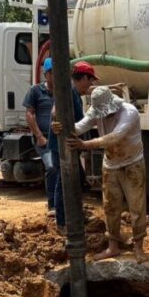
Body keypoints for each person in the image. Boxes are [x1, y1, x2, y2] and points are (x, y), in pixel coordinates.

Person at [60, 86, 148, 263]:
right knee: (110, 207)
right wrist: (61, 127)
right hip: (111, 165)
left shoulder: (129, 112)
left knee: (137, 207)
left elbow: (115, 137)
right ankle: (113, 246)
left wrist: (85, 145)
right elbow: (80, 127)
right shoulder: (96, 112)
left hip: (132, 164)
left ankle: (138, 247)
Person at [49, 61, 98, 234]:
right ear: (83, 78)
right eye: (90, 80)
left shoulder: (75, 93)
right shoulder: (68, 91)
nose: (90, 85)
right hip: (61, 147)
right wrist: (55, 122)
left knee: (77, 181)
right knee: (64, 182)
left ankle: (76, 215)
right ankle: (62, 222)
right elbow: (55, 111)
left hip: (69, 145)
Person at [23, 58, 56, 213]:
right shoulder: (35, 91)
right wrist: (39, 136)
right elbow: (29, 114)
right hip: (45, 138)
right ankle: (52, 205)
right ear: (45, 74)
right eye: (51, 72)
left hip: (60, 138)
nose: (54, 75)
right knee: (51, 167)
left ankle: (65, 204)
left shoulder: (64, 90)